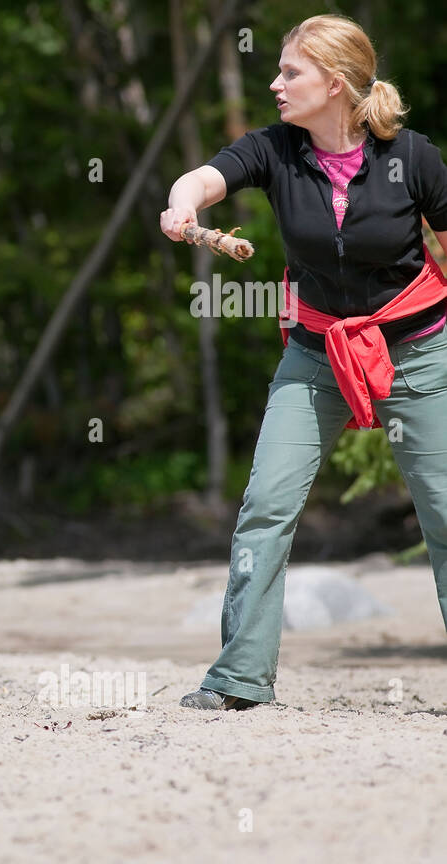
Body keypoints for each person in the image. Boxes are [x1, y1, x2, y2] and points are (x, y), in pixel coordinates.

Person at [159, 14, 447, 710]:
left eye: (291, 72)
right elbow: (208, 176)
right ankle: (239, 680)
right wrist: (181, 204)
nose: (275, 82)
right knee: (265, 506)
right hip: (316, 352)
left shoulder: (414, 157)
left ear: (337, 84)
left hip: (419, 349)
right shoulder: (275, 151)